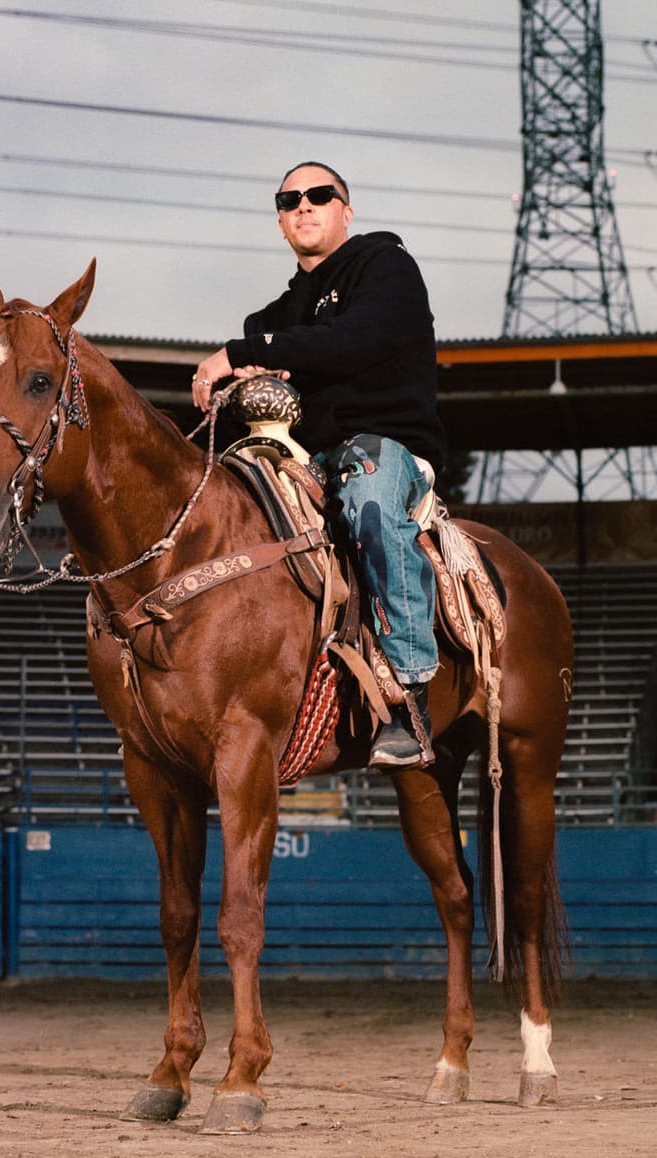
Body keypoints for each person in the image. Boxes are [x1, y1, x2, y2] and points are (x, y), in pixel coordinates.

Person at [192, 160, 447, 768]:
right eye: (289, 200)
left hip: (382, 445)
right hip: (299, 455)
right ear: (281, 223)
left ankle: (410, 694)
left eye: (319, 194)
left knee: (367, 499)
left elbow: (352, 340)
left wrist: (239, 353)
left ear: (345, 210)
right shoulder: (273, 319)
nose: (303, 205)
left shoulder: (385, 267)